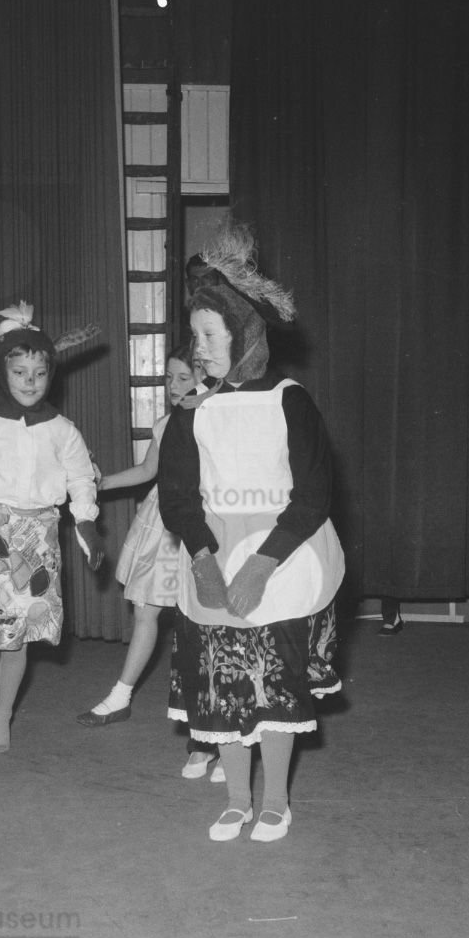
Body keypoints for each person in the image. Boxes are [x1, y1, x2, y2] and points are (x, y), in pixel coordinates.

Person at [159, 219, 345, 843]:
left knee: (273, 686)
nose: (200, 347)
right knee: (224, 685)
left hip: (281, 558)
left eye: (210, 335)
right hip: (214, 557)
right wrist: (203, 561)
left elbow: (313, 495)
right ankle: (236, 798)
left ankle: (275, 801)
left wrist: (262, 566)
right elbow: (177, 497)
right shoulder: (193, 411)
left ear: (243, 332)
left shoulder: (290, 401)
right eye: (195, 335)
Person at [0, 303, 104, 768]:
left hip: (37, 538)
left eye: (39, 373)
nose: (30, 381)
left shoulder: (63, 431)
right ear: (1, 371)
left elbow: (81, 480)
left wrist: (87, 524)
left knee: (15, 638)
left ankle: (3, 715)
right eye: (19, 372)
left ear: (51, 374)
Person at [76, 347, 226, 781]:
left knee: (207, 628)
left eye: (184, 378)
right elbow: (147, 472)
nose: (174, 387)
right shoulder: (166, 423)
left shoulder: (219, 419)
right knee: (147, 611)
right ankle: (120, 696)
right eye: (169, 378)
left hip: (205, 520)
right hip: (164, 522)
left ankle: (218, 739)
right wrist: (98, 483)